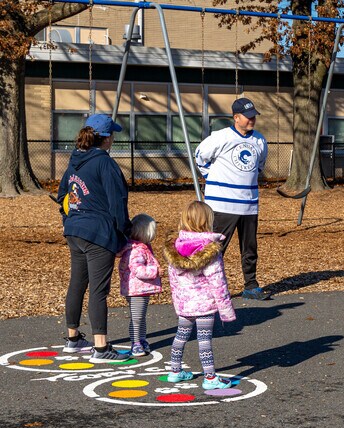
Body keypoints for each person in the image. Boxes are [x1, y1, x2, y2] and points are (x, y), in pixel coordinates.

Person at [56, 113, 132, 363]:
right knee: (98, 290)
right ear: (106, 138)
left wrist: (68, 220)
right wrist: (125, 232)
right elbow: (117, 202)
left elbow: (63, 197)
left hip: (75, 230)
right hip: (98, 232)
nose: (113, 138)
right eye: (112, 134)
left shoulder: (74, 161)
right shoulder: (105, 164)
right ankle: (101, 348)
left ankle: (73, 338)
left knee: (77, 283)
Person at [195, 97, 269, 300]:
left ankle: (251, 285)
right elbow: (200, 155)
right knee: (216, 248)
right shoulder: (221, 137)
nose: (252, 119)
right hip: (222, 204)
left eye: (253, 116)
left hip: (249, 205)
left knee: (250, 248)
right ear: (236, 117)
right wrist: (211, 177)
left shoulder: (260, 140)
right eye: (248, 116)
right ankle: (207, 287)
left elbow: (259, 165)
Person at [163, 200, 236, 390]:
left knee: (181, 336)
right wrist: (226, 310)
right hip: (204, 304)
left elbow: (173, 279)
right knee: (204, 339)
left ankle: (175, 370)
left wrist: (178, 302)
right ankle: (210, 377)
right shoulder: (209, 250)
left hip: (185, 304)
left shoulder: (175, 247)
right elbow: (218, 282)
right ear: (207, 221)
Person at [118, 213, 162, 357]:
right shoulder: (136, 250)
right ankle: (135, 342)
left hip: (141, 288)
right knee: (136, 317)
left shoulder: (142, 247)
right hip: (136, 288)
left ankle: (141, 339)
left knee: (140, 317)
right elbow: (138, 270)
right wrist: (155, 271)